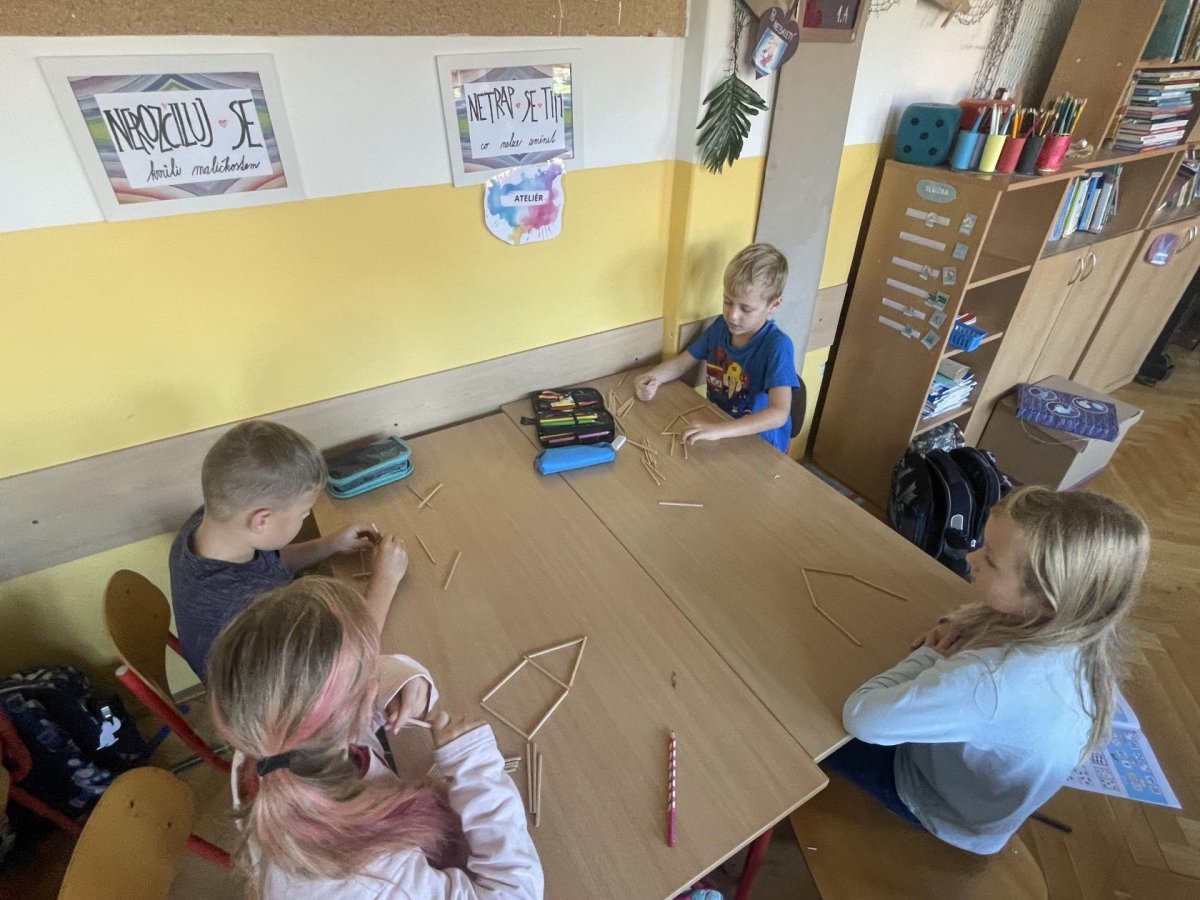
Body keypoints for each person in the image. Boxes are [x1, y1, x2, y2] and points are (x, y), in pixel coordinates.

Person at [826, 486, 1150, 854]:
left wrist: (931, 655)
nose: (970, 556)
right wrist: (964, 628)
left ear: (1047, 601)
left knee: (803, 726)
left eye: (991, 559)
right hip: (977, 800)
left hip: (935, 805)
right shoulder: (1084, 629)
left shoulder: (990, 682)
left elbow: (862, 718)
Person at [208, 576, 543, 899]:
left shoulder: (267, 740)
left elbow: (334, 688)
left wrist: (403, 681)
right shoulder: (374, 880)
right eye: (370, 674)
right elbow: (518, 893)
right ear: (359, 699)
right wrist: (478, 770)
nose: (376, 673)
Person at [169, 420, 407, 679]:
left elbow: (269, 563)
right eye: (304, 513)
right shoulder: (250, 612)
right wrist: (386, 579)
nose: (306, 517)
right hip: (278, 689)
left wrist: (330, 544)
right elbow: (351, 658)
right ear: (261, 521)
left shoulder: (212, 522)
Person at [633, 243, 799, 453]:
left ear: (774, 305)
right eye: (727, 302)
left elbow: (778, 413)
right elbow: (683, 362)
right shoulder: (720, 327)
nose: (733, 315)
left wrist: (719, 431)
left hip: (760, 444)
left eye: (746, 309)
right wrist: (652, 378)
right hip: (720, 429)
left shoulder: (777, 345)